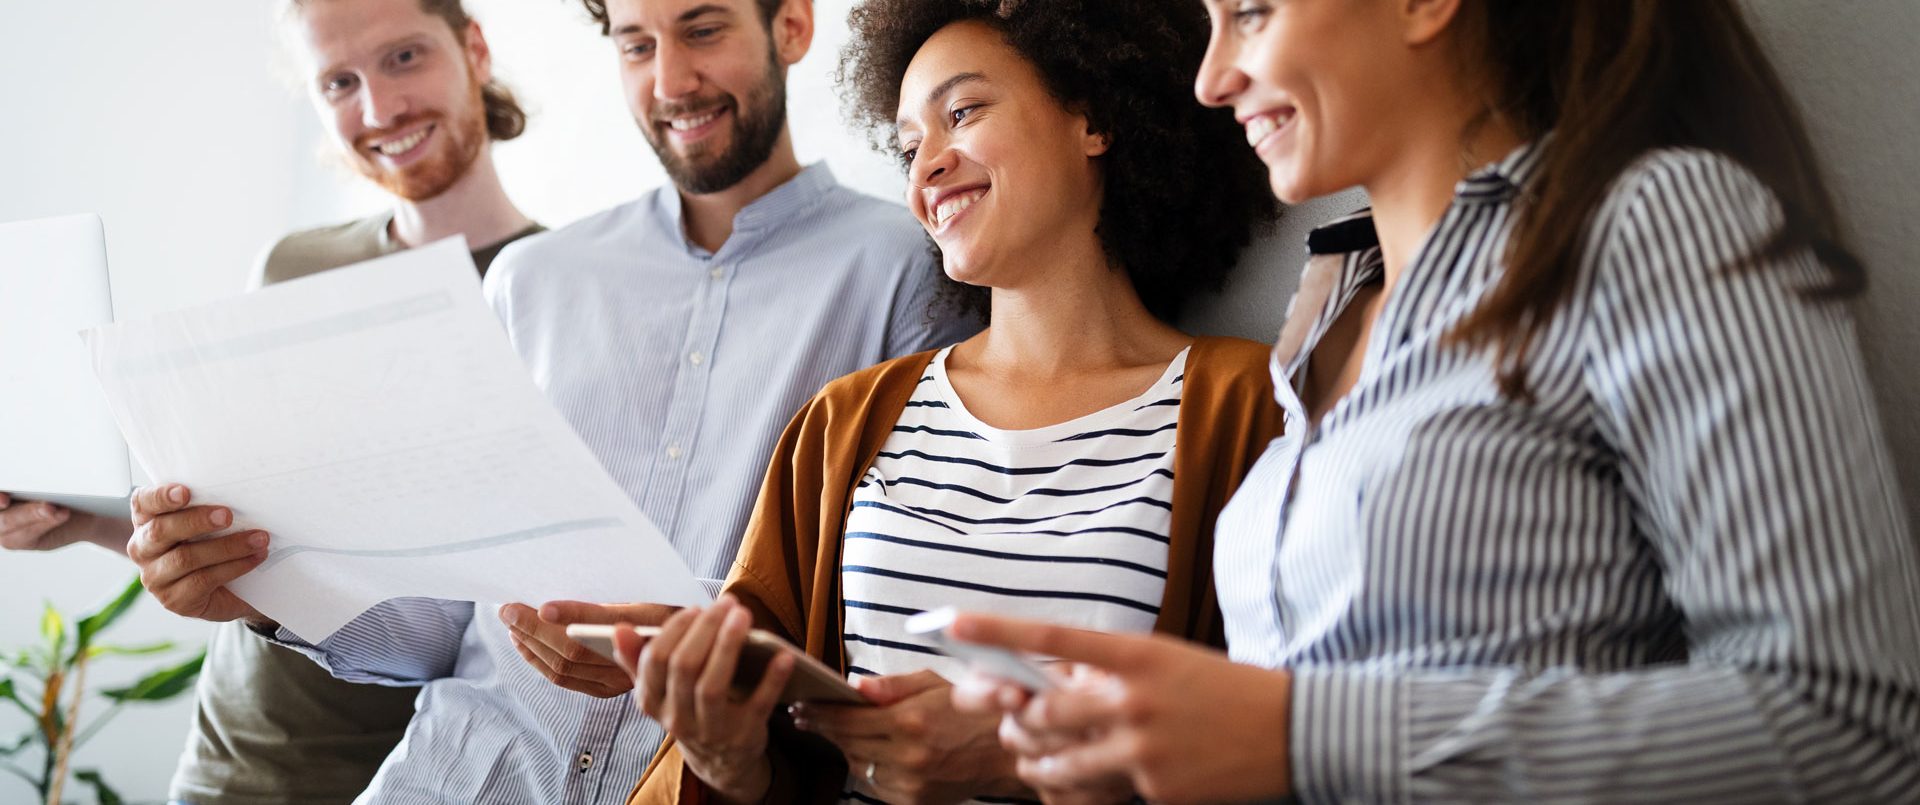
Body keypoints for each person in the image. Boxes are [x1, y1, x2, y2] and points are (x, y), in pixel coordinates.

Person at [949, 0, 1920, 802]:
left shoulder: (1647, 225)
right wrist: (1137, 752)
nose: (1210, 80)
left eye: (1248, 13)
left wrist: (1295, 736)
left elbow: (1851, 726)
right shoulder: (1323, 322)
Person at [121, 0, 981, 801]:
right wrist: (261, 589)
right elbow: (442, 617)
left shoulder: (907, 267)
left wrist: (695, 635)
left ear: (791, 26)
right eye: (637, 45)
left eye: (704, 30)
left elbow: (877, 602)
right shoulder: (533, 280)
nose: (671, 81)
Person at [608, 1, 1280, 803]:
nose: (926, 166)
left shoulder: (1251, 408)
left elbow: (1289, 734)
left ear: (1093, 118)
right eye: (907, 145)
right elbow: (773, 754)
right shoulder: (846, 421)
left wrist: (1019, 755)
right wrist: (728, 757)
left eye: (961, 113)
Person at [1, 0, 541, 802]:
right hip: (223, 756)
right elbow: (251, 542)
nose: (379, 109)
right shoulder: (293, 266)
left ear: (475, 47)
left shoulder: (558, 299)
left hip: (384, 778)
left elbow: (494, 630)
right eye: (338, 81)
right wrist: (80, 522)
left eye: (404, 58)